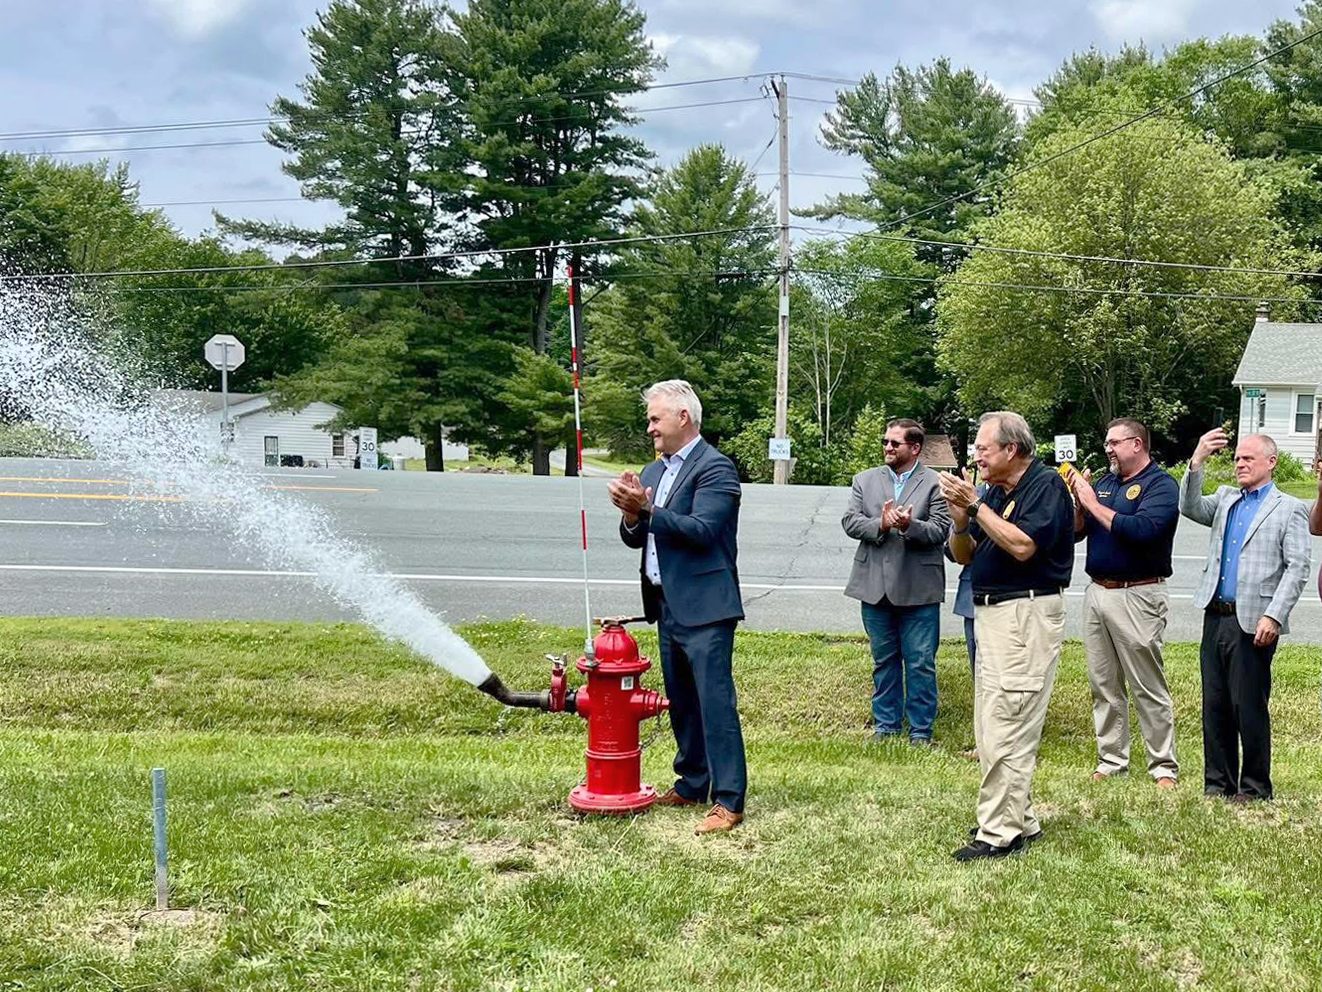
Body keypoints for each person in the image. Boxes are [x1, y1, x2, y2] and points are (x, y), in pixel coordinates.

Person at [607, 379, 748, 834]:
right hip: (666, 604)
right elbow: (637, 538)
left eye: (655, 418)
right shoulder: (652, 473)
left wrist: (645, 512)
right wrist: (631, 515)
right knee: (683, 702)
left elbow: (702, 529)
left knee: (714, 702)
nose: (649, 428)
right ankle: (692, 782)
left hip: (706, 607)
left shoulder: (716, 468)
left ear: (682, 418)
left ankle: (729, 800)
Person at [938, 411, 1075, 862]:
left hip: (1026, 612)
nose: (976, 454)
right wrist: (961, 519)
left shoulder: (1046, 486)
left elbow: (1022, 546)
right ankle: (1020, 817)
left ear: (1011, 450)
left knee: (1009, 722)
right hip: (993, 614)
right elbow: (965, 555)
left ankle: (999, 833)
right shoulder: (998, 492)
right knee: (991, 719)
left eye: (983, 447)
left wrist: (976, 505)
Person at [1179, 429, 1311, 802]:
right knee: (1215, 703)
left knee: (1248, 705)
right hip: (1216, 615)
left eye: (1248, 458)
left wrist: (1274, 615)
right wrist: (1197, 460)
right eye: (1237, 458)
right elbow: (1189, 507)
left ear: (1271, 462)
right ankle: (1218, 784)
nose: (1239, 463)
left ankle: (1254, 787)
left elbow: (1298, 566)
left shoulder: (1288, 508)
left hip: (1255, 621)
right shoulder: (1225, 500)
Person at [1065, 418, 1180, 789]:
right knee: (1104, 683)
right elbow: (1080, 532)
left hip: (1139, 594)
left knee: (1147, 684)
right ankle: (1112, 759)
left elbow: (1141, 531)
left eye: (1114, 443)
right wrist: (1078, 506)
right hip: (1098, 591)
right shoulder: (1105, 482)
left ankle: (1163, 766)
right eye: (1106, 443)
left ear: (1137, 444)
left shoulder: (1160, 485)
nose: (1108, 449)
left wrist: (1090, 501)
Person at [841, 419, 951, 744]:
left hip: (919, 589)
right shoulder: (865, 480)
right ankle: (886, 726)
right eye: (885, 442)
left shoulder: (936, 483)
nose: (887, 447)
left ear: (915, 448)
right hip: (874, 587)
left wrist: (908, 525)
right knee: (884, 660)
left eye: (895, 443)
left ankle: (920, 731)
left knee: (920, 662)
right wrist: (883, 524)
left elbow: (940, 530)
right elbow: (850, 521)